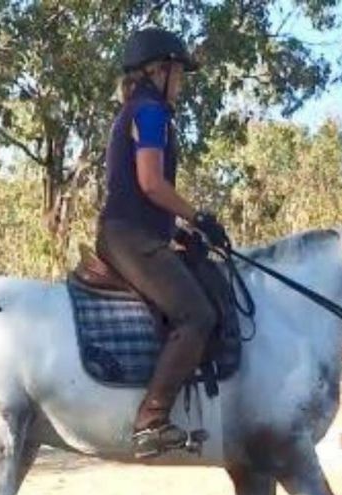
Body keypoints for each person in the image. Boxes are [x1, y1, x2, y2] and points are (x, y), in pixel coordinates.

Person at [96, 27, 231, 458]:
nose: (183, 83)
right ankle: (151, 419)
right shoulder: (151, 112)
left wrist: (180, 231)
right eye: (180, 73)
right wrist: (199, 217)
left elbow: (140, 195)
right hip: (129, 236)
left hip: (135, 230)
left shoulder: (136, 111)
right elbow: (151, 184)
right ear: (160, 70)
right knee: (197, 315)